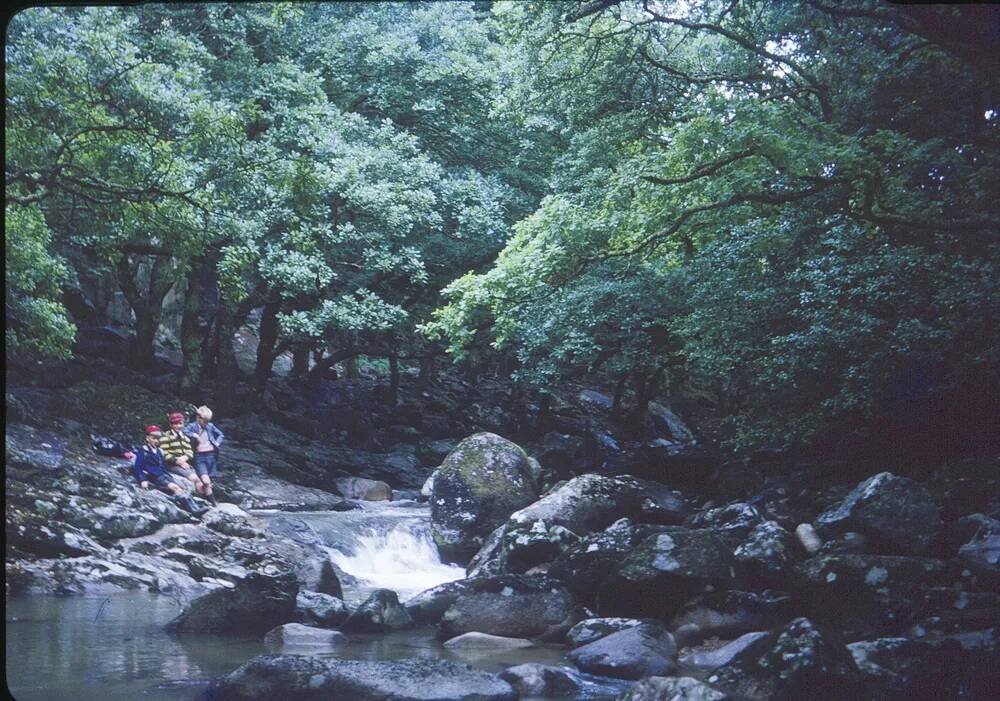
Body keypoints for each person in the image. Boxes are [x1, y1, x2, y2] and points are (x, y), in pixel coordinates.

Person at [133, 425, 207, 516]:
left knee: (181, 487)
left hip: (164, 475)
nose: (156, 441)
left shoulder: (159, 451)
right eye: (153, 438)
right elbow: (138, 467)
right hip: (154, 476)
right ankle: (193, 511)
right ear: (147, 438)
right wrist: (142, 480)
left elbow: (163, 465)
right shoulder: (143, 451)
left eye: (158, 439)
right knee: (175, 487)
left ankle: (195, 507)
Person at [159, 411, 206, 498]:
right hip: (171, 464)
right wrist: (177, 461)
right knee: (193, 478)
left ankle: (204, 498)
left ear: (183, 424)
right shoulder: (166, 436)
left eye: (180, 423)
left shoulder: (184, 437)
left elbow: (190, 451)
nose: (178, 426)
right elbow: (164, 453)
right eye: (175, 424)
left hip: (183, 463)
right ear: (171, 425)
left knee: (199, 480)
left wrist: (185, 457)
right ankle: (193, 498)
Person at [185, 405, 223, 507]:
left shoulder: (210, 426)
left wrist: (217, 443)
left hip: (211, 454)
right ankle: (213, 502)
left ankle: (210, 503)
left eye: (207, 421)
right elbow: (185, 431)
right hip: (199, 455)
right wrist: (194, 435)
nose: (206, 423)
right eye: (204, 421)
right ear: (198, 418)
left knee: (208, 479)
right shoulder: (193, 426)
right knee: (206, 481)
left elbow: (220, 434)